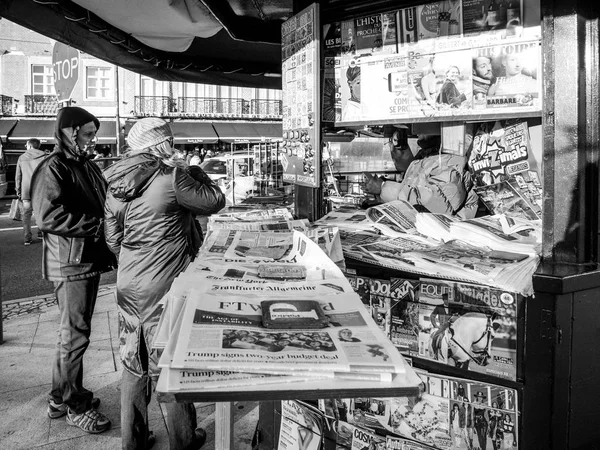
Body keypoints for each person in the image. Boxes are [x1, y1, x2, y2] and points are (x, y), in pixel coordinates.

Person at [104, 117, 225, 449]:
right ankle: (184, 440)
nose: (174, 146)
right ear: (160, 144)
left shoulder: (115, 180)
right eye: (170, 141)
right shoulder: (171, 176)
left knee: (133, 360)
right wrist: (193, 171)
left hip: (129, 281)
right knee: (168, 362)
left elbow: (113, 240)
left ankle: (134, 441)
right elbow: (214, 200)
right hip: (165, 283)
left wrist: (138, 257)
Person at [30, 106, 117, 433]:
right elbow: (48, 217)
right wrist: (97, 226)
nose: (93, 139)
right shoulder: (54, 167)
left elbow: (105, 199)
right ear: (70, 132)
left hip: (85, 259)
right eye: (89, 133)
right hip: (70, 262)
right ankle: (74, 406)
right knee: (75, 336)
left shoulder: (86, 165)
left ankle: (59, 397)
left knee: (72, 334)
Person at [362, 131, 479, 219]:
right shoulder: (426, 156)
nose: (415, 131)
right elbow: (411, 186)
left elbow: (434, 204)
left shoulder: (451, 159)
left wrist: (383, 188)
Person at [15, 138, 46, 245]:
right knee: (40, 213)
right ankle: (41, 233)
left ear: (29, 146)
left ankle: (27, 238)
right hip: (41, 190)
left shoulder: (22, 158)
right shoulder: (45, 157)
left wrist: (18, 191)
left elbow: (18, 177)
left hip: (26, 190)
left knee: (26, 215)